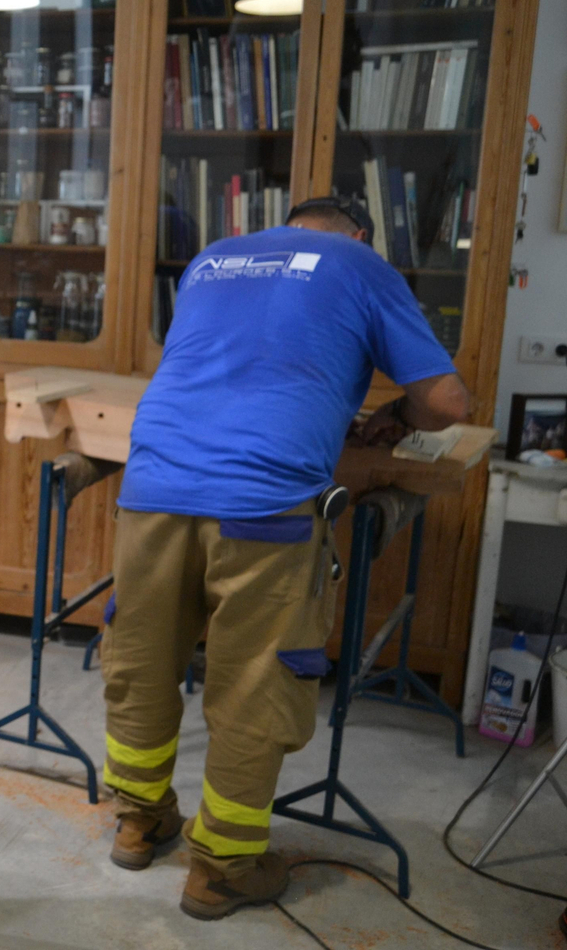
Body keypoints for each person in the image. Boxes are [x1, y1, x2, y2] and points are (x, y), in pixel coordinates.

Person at [101, 195, 471, 919]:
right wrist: (394, 415)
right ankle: (225, 868)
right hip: (264, 501)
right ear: (359, 235)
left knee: (142, 660)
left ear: (281, 227)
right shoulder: (361, 264)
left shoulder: (212, 260)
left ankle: (138, 820)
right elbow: (447, 403)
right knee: (253, 683)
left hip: (153, 486)